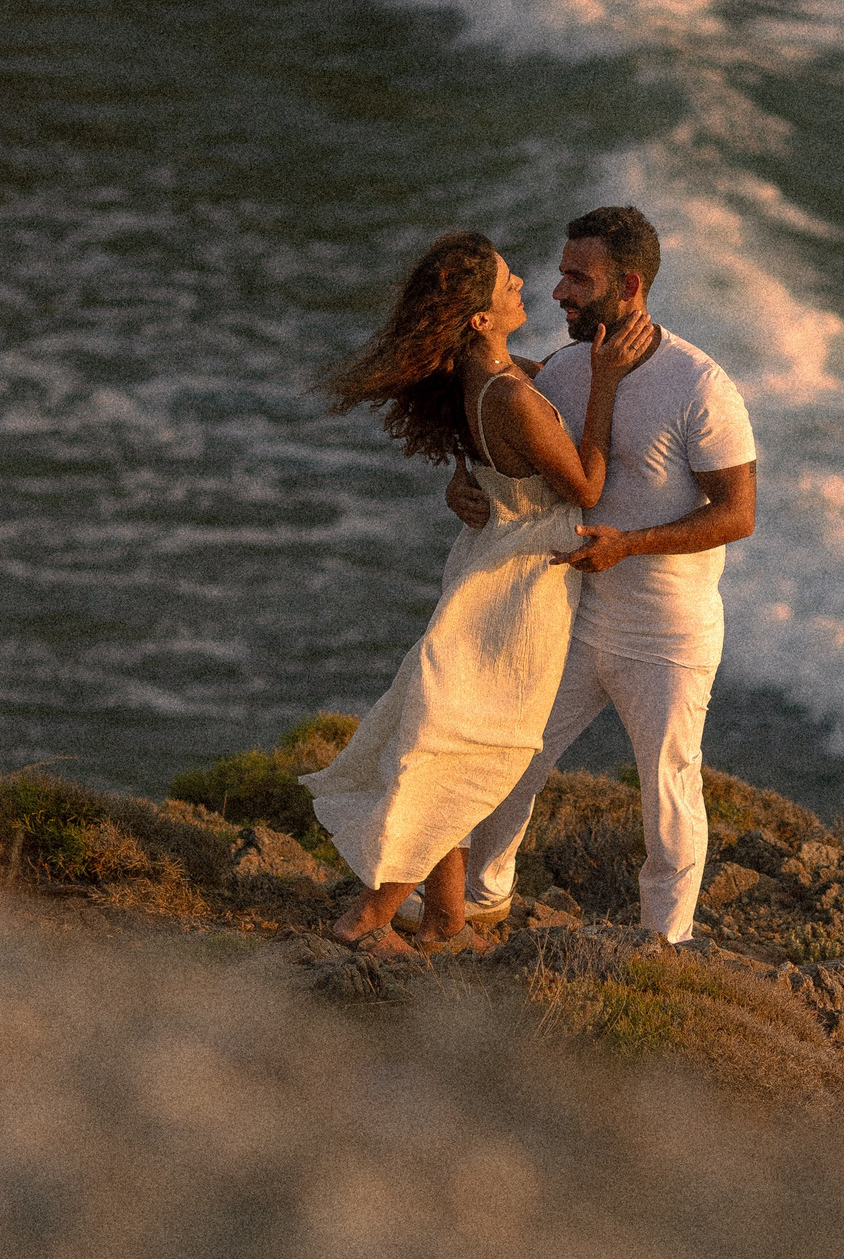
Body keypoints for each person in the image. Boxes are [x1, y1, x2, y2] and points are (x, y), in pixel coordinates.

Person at [302, 229, 654, 958]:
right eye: (506, 284)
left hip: (486, 565)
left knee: (446, 735)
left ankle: (444, 919)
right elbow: (585, 484)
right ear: (479, 321)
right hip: (518, 592)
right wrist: (610, 382)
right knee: (472, 748)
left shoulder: (482, 376)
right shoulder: (513, 397)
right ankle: (379, 906)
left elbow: (508, 435)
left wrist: (466, 479)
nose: (523, 283)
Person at [443, 206, 757, 945]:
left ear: (631, 284)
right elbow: (515, 449)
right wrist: (463, 488)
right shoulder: (564, 369)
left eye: (578, 278)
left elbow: (738, 513)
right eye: (560, 274)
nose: (559, 292)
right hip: (576, 613)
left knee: (668, 792)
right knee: (514, 753)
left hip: (667, 634)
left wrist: (633, 543)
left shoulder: (700, 384)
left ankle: (664, 943)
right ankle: (486, 899)